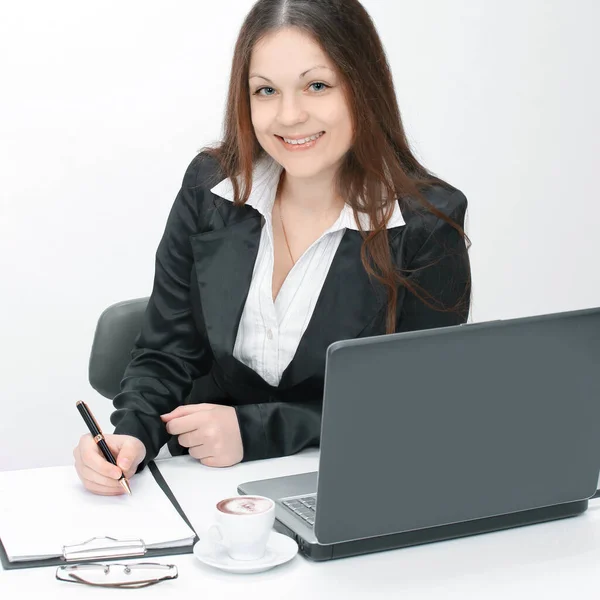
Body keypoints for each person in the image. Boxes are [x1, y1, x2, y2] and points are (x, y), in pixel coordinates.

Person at [74, 0, 471, 495]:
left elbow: (415, 404)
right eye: (266, 90)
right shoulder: (212, 187)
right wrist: (131, 434)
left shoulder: (425, 224)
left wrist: (258, 430)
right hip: (209, 487)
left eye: (317, 86)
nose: (289, 116)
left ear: (364, 89)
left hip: (349, 483)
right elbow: (167, 348)